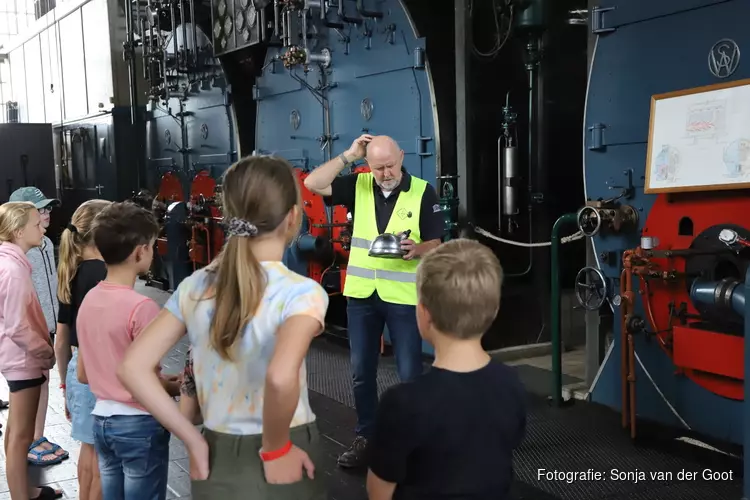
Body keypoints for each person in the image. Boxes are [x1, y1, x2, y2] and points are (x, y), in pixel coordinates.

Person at [118, 155, 330, 499]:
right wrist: (275, 450)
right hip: (283, 445)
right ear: (292, 217)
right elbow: (280, 375)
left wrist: (189, 437)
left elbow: (132, 367)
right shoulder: (301, 292)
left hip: (215, 455)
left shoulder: (195, 286)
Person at [303, 134, 444, 467]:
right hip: (362, 297)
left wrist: (418, 250)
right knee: (361, 373)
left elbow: (437, 241)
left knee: (410, 372)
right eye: (378, 167)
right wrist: (349, 155)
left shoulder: (423, 192)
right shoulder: (359, 185)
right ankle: (366, 436)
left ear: (402, 156)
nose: (385, 173)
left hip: (403, 298)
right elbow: (312, 182)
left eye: (390, 165)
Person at [365, 239, 527, 500]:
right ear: (494, 311)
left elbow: (379, 492)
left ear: (423, 314)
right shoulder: (513, 385)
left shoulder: (400, 404)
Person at [76, 201, 180, 500]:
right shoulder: (142, 308)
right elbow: (140, 382)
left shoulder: (90, 299)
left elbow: (85, 374)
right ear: (139, 251)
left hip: (103, 422)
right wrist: (174, 388)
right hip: (139, 427)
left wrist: (164, 381)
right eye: (150, 245)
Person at [0, 201, 62, 500]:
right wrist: (45, 352)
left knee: (16, 431)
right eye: (37, 224)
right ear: (17, 231)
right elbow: (17, 327)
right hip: (22, 359)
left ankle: (26, 491)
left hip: (18, 357)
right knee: (21, 437)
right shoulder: (13, 270)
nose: (43, 227)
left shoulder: (11, 262)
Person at [56, 199, 112, 500]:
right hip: (99, 374)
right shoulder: (106, 273)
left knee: (88, 456)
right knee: (106, 463)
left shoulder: (71, 271)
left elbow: (62, 339)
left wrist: (65, 385)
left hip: (78, 372)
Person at [8, 187, 69, 465]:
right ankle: (28, 440)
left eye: (47, 209)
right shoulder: (16, 253)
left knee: (43, 384)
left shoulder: (42, 243)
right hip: (29, 331)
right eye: (39, 210)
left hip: (47, 323)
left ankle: (36, 435)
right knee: (31, 387)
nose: (45, 214)